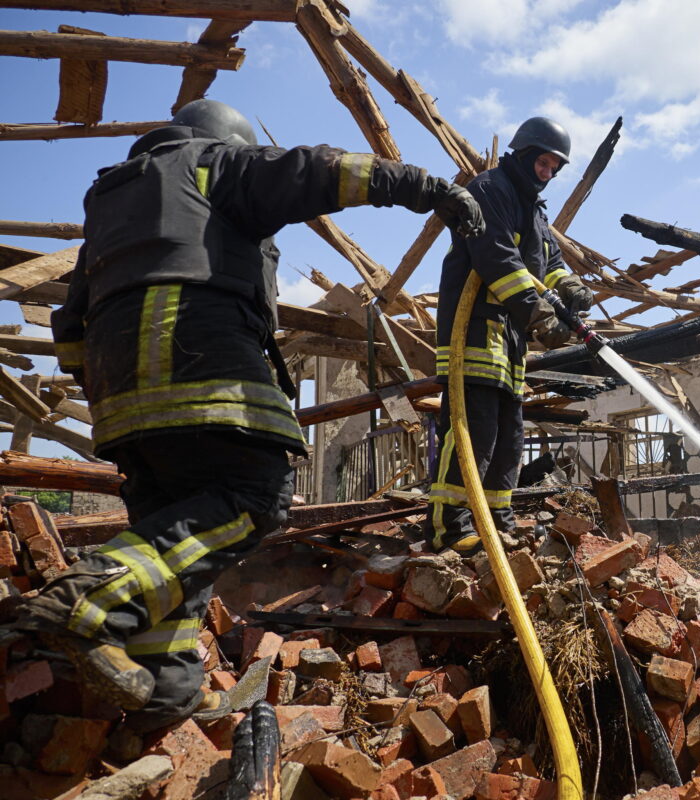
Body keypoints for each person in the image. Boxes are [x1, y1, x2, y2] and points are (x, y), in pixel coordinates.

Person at [18, 99, 484, 732]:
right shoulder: (208, 163)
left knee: (176, 537)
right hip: (195, 352)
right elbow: (313, 172)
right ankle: (88, 600)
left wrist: (109, 391)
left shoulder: (115, 208)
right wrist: (426, 187)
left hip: (119, 394)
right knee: (255, 497)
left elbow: (70, 324)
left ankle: (166, 692)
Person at [426, 116, 593, 554]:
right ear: (524, 153)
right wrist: (540, 315)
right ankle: (449, 528)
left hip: (510, 339)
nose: (548, 172)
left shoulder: (534, 211)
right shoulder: (489, 190)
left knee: (508, 436)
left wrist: (570, 287)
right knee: (472, 430)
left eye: (555, 167)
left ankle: (497, 521)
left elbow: (548, 264)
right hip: (474, 332)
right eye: (543, 162)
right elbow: (497, 258)